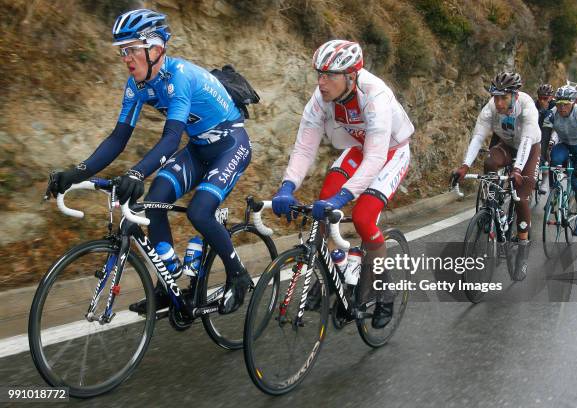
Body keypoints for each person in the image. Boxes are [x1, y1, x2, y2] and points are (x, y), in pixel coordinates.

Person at [47, 9, 252, 315]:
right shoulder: (136, 86)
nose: (126, 59)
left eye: (131, 49)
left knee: (199, 210)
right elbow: (118, 139)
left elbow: (171, 139)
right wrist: (76, 173)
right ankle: (166, 287)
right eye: (122, 52)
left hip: (230, 145)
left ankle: (239, 275)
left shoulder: (179, 77)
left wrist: (137, 172)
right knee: (155, 200)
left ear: (155, 49)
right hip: (198, 148)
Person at [271, 39, 414, 329]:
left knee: (362, 217)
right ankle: (327, 278)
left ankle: (385, 291)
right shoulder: (321, 98)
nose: (321, 82)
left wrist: (343, 198)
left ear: (351, 75)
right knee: (321, 204)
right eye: (318, 74)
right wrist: (288, 186)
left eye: (329, 76)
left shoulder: (375, 95)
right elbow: (304, 148)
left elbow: (375, 159)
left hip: (391, 152)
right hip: (359, 149)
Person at [452, 72, 541, 281]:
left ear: (514, 96)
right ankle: (492, 206)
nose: (499, 102)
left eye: (504, 97)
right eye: (496, 97)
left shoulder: (527, 107)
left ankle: (522, 249)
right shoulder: (491, 108)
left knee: (521, 198)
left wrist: (518, 169)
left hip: (530, 148)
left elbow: (527, 141)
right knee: (490, 162)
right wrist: (465, 166)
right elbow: (478, 137)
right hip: (506, 144)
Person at [541, 85, 577, 236]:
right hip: (563, 144)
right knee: (554, 161)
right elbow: (544, 138)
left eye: (566, 104)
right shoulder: (551, 113)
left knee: (576, 183)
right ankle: (555, 194)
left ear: (573, 103)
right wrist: (543, 157)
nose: (562, 108)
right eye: (559, 104)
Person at [534, 83, 556, 194]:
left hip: (551, 131)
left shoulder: (555, 106)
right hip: (537, 129)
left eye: (545, 98)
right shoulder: (534, 104)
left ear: (551, 97)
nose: (542, 101)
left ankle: (545, 178)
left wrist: (551, 139)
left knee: (546, 149)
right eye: (540, 98)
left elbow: (557, 126)